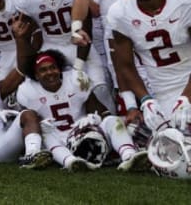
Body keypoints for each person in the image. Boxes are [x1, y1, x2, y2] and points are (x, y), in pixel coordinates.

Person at [16, 50, 149, 172]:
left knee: (112, 120)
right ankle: (70, 162)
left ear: (60, 69)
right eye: (43, 70)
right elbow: (29, 121)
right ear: (36, 75)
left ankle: (129, 155)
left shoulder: (76, 80)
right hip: (56, 135)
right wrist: (41, 124)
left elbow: (98, 107)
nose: (50, 72)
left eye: (53, 67)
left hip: (83, 130)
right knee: (45, 133)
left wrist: (97, 118)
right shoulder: (27, 90)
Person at [13, 0, 115, 112]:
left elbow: (85, 27)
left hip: (78, 42)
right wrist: (20, 37)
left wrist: (79, 66)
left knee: (100, 87)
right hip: (51, 46)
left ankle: (111, 123)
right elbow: (26, 31)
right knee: (53, 89)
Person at [107, 0, 191, 133]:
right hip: (162, 90)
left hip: (188, 79)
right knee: (174, 144)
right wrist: (146, 100)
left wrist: (187, 97)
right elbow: (125, 65)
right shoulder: (121, 12)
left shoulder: (184, 0)